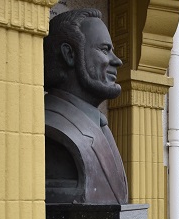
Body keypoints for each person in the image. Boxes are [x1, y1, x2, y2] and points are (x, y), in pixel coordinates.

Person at [43, 8, 128, 205]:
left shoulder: (98, 124)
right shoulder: (52, 126)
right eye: (104, 49)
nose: (117, 60)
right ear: (70, 54)